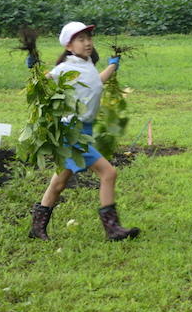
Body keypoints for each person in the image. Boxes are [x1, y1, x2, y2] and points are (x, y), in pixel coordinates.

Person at [27, 21, 140, 242]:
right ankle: (113, 230)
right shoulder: (65, 68)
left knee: (59, 183)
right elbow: (43, 83)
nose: (88, 43)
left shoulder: (86, 63)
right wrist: (33, 68)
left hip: (85, 129)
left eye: (89, 38)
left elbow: (95, 83)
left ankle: (37, 228)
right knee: (109, 173)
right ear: (69, 46)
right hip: (73, 131)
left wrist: (112, 67)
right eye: (81, 39)